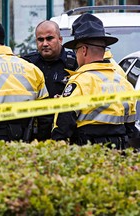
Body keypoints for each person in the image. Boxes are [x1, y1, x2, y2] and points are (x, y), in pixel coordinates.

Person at [51, 13, 138, 149]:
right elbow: (130, 126)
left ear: (84, 50)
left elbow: (63, 125)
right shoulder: (124, 83)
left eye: (76, 50)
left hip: (89, 155)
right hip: (118, 156)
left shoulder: (80, 82)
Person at [22, 20, 78, 141]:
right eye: (40, 40)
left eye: (49, 38)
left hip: (65, 132)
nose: (45, 43)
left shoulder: (74, 63)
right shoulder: (27, 64)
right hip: (34, 133)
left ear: (60, 39)